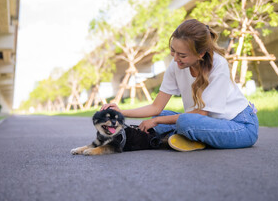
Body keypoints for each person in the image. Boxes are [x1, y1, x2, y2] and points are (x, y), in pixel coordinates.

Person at [101, 19, 259, 151]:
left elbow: (201, 114)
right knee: (160, 116)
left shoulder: (219, 66)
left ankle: (178, 136)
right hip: (205, 122)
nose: (175, 59)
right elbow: (156, 107)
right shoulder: (176, 66)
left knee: (182, 121)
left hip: (240, 126)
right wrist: (120, 113)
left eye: (182, 55)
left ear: (200, 53)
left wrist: (156, 122)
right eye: (173, 51)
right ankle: (190, 138)